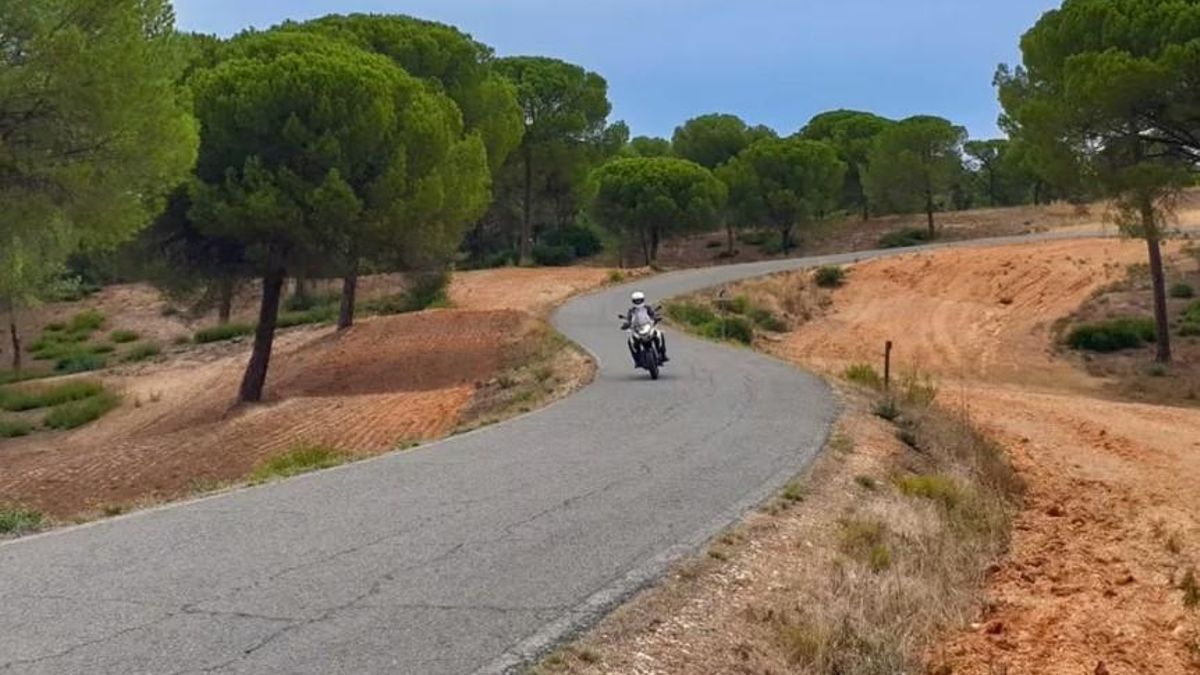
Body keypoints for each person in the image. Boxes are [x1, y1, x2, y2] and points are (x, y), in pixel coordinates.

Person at [622, 291, 668, 363]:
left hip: (648, 326)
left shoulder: (647, 308)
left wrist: (656, 317)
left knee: (659, 334)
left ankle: (662, 353)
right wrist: (626, 324)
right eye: (636, 301)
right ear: (633, 301)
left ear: (643, 300)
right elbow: (629, 319)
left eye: (639, 300)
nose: (638, 302)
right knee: (630, 341)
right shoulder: (631, 311)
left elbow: (652, 314)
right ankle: (637, 359)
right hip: (637, 329)